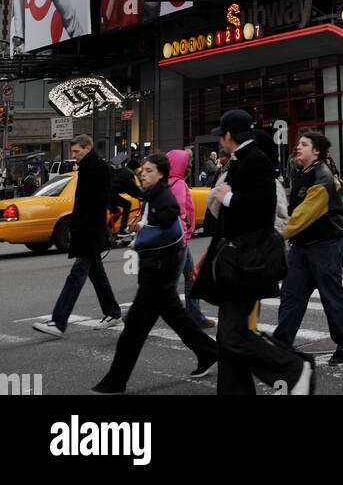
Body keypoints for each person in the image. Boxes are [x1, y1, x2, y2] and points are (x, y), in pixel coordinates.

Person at [91, 152, 218, 393]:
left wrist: (141, 240)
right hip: (156, 269)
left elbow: (171, 228)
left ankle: (115, 381)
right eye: (143, 170)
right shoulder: (153, 195)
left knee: (134, 331)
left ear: (161, 174)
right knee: (176, 317)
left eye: (149, 171)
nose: (143, 174)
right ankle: (208, 351)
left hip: (159, 271)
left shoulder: (165, 197)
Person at [207, 109, 312, 395]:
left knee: (232, 334)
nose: (221, 141)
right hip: (239, 259)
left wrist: (225, 196)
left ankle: (292, 368)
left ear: (229, 136)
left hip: (247, 260)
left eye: (222, 136)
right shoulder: (243, 160)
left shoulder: (254, 160)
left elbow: (264, 207)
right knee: (230, 335)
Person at [274, 130, 343, 365]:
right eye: (297, 143)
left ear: (317, 151)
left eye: (304, 144)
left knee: (332, 297)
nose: (297, 147)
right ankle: (281, 346)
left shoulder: (322, 175)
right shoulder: (300, 171)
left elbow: (304, 213)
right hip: (301, 246)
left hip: (326, 245)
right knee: (291, 296)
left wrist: (276, 234)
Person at [33, 135, 123, 337]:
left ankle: (58, 322)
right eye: (73, 152)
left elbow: (98, 201)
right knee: (97, 274)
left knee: (76, 276)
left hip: (90, 232)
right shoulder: (87, 168)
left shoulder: (98, 168)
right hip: (87, 231)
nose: (74, 156)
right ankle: (113, 312)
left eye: (77, 151)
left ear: (88, 148)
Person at [167, 149, 213, 330]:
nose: (189, 166)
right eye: (187, 163)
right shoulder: (178, 184)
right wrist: (185, 234)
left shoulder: (169, 182)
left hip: (179, 240)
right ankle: (135, 316)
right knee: (169, 285)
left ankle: (196, 316)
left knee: (191, 277)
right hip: (180, 241)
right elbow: (180, 212)